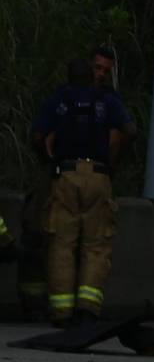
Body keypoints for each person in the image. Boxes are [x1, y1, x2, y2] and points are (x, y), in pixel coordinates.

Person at [32, 59, 134, 327]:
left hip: (65, 176)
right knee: (96, 245)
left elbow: (38, 136)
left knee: (61, 244)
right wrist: (113, 164)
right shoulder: (107, 101)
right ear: (92, 77)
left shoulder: (58, 100)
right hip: (98, 176)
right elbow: (129, 131)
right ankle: (87, 309)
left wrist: (49, 161)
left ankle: (61, 312)